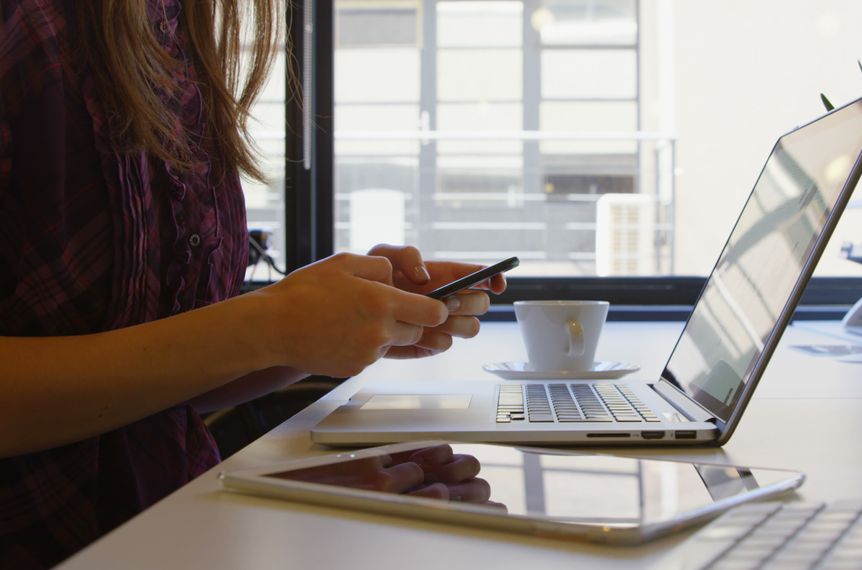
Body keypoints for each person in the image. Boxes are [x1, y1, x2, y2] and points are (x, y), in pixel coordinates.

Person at [0, 1, 505, 566]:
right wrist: (271, 322)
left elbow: (161, 378)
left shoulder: (176, 26)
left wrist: (317, 329)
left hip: (173, 528)